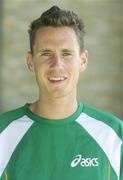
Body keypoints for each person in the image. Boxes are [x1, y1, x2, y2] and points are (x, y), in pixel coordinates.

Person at [0, 5, 122, 180]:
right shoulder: (3, 133)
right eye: (46, 53)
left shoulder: (114, 136)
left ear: (83, 61)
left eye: (66, 54)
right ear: (30, 62)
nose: (57, 65)